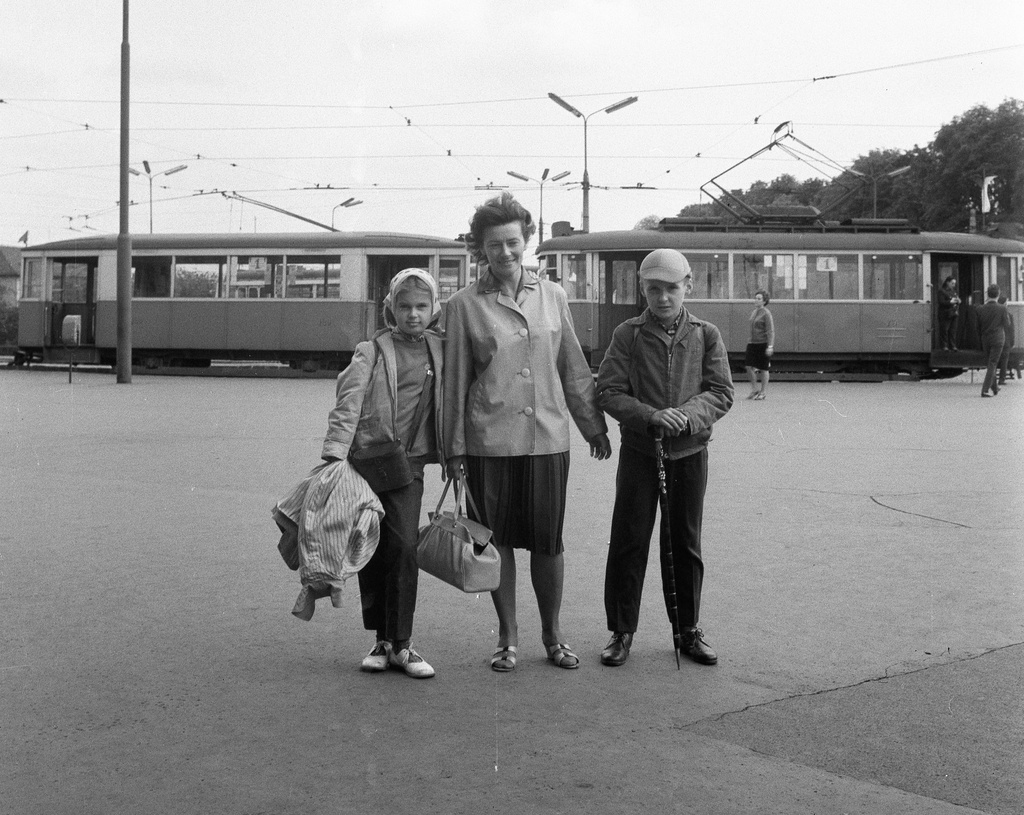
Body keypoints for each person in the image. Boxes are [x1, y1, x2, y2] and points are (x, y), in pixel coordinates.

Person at [443, 192, 611, 673]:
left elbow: (574, 369)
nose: (505, 253)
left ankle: (553, 636)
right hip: (487, 443)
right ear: (481, 248)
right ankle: (508, 636)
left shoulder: (553, 296)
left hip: (547, 438)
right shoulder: (462, 306)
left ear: (527, 241)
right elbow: (455, 383)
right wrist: (454, 450)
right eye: (494, 245)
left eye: (513, 242)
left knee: (547, 542)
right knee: (499, 543)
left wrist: (592, 425)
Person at [596, 249, 734, 667]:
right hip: (641, 453)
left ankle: (688, 631)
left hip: (690, 455)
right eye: (653, 289)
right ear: (643, 289)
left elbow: (722, 392)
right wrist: (651, 416)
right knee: (629, 541)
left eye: (671, 289)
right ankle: (621, 632)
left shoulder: (706, 334)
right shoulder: (628, 334)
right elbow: (608, 390)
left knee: (685, 544)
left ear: (688, 286)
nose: (662, 298)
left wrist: (687, 418)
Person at [321, 269, 445, 677]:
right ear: (391, 307)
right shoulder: (371, 350)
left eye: (421, 306)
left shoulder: (439, 349)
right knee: (372, 547)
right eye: (405, 306)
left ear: (434, 309)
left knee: (405, 547)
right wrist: (335, 455)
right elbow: (348, 403)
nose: (413, 314)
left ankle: (403, 644)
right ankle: (381, 640)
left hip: (409, 466)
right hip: (369, 462)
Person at [976, 284, 1010, 397]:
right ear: (998, 294)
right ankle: (985, 390)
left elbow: (978, 326)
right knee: (993, 363)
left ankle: (995, 388)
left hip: (985, 339)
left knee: (990, 363)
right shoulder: (1002, 308)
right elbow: (1007, 324)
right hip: (998, 339)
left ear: (987, 294)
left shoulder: (980, 308)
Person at [745, 290, 774, 399]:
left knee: (763, 368)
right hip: (752, 343)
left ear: (764, 301)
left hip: (763, 344)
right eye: (755, 298)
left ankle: (763, 392)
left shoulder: (766, 313)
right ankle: (755, 389)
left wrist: (770, 346)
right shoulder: (754, 312)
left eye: (758, 299)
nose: (756, 300)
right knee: (748, 366)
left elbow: (770, 331)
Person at [936, 276, 961, 351]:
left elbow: (956, 299)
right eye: (952, 283)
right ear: (947, 282)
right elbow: (941, 302)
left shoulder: (953, 291)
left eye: (954, 283)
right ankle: (944, 346)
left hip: (953, 313)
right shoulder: (941, 291)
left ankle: (953, 346)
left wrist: (958, 301)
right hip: (945, 313)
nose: (954, 285)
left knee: (953, 330)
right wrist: (950, 302)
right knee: (944, 330)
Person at [996, 295, 1015, 384]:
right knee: (1004, 361)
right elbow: (1011, 330)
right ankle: (1001, 379)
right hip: (1006, 341)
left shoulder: (994, 314)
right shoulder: (1009, 315)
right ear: (1004, 304)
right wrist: (1012, 342)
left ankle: (992, 379)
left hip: (996, 339)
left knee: (994, 360)